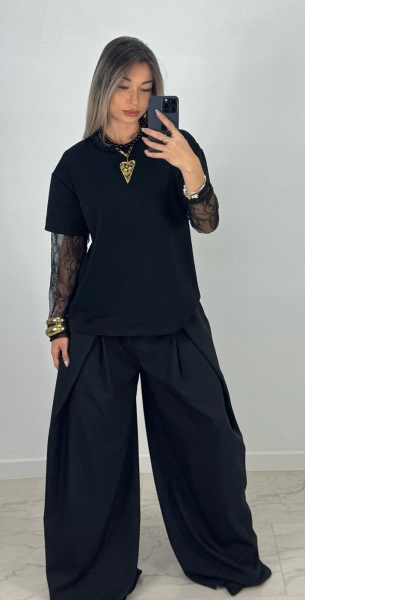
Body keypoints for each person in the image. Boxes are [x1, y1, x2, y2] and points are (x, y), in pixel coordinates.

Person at [42, 36, 272, 600]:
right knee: (90, 458)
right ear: (103, 87)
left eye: (146, 88)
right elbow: (68, 250)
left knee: (210, 443)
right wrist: (57, 323)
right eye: (123, 85)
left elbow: (207, 222)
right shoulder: (74, 164)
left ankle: (221, 555)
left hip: (174, 321)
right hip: (98, 330)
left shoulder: (177, 148)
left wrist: (189, 166)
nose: (134, 99)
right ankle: (93, 577)